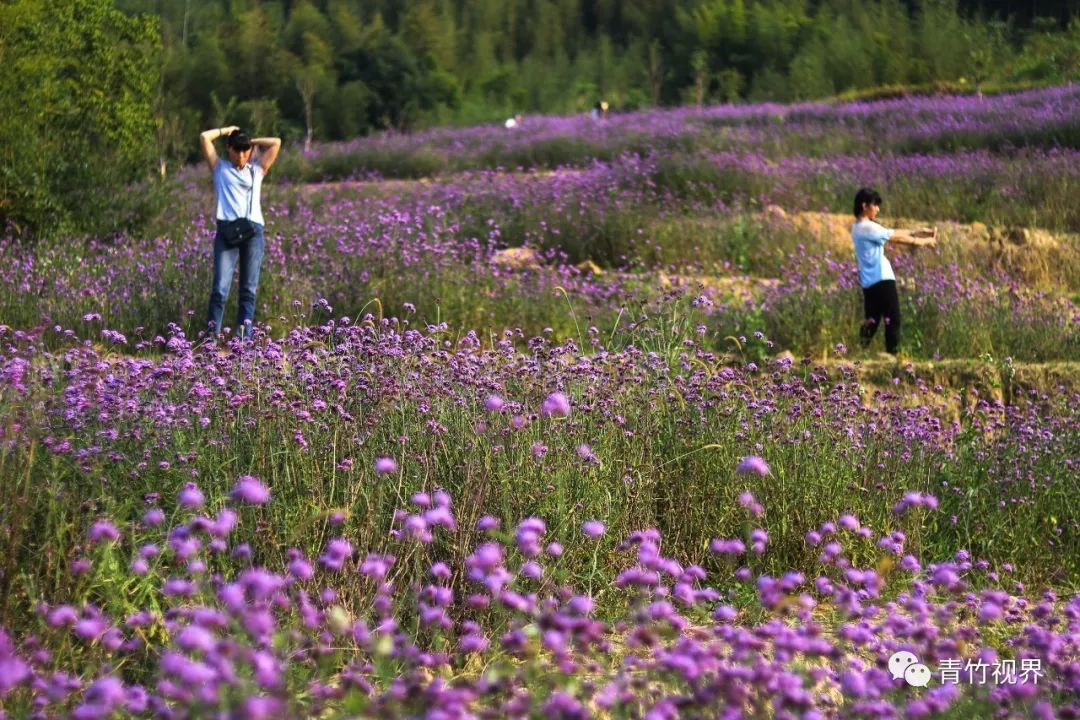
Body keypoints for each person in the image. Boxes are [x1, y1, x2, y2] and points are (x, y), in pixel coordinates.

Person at [199, 125, 281, 341]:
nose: (242, 155)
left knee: (248, 290)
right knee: (219, 289)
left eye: (246, 150)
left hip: (253, 232)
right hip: (226, 232)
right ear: (229, 149)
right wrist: (226, 130)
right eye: (238, 149)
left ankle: (243, 340)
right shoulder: (220, 168)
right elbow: (204, 136)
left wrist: (251, 141)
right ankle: (210, 339)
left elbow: (276, 142)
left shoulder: (257, 170)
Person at [851, 188, 936, 356]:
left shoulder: (857, 227)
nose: (877, 209)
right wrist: (923, 241)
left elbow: (891, 232)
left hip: (868, 282)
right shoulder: (868, 227)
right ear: (864, 206)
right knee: (893, 318)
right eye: (875, 205)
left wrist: (918, 231)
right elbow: (895, 237)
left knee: (872, 321)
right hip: (882, 278)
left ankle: (858, 353)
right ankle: (892, 355)